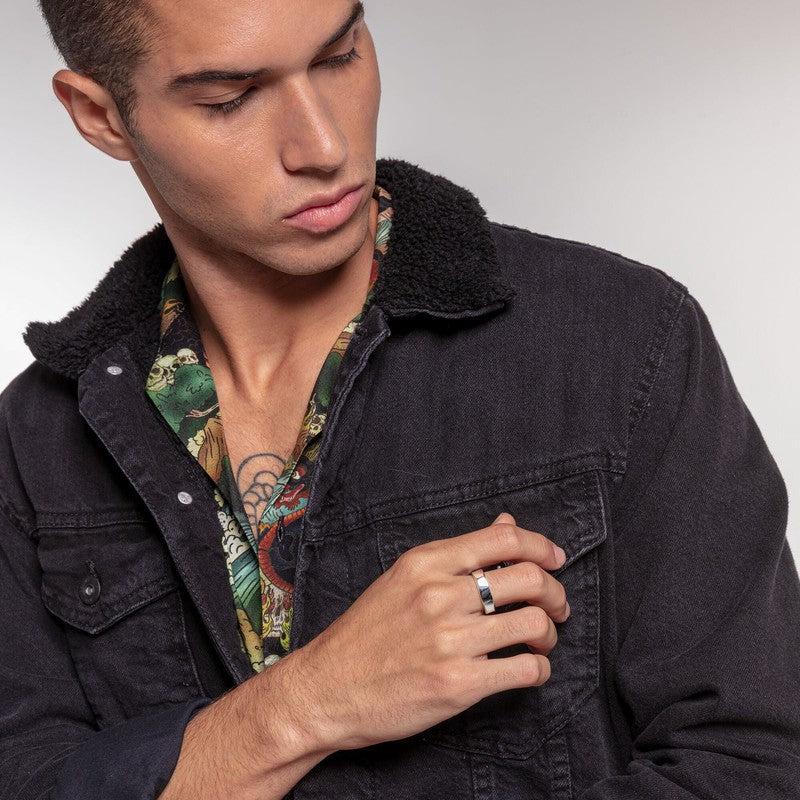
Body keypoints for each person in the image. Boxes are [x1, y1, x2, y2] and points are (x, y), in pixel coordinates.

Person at [2, 1, 798, 799]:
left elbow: (755, 765)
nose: (325, 146)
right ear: (101, 116)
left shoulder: (622, 340)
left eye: (339, 55)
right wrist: (304, 705)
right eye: (230, 99)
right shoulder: (31, 446)